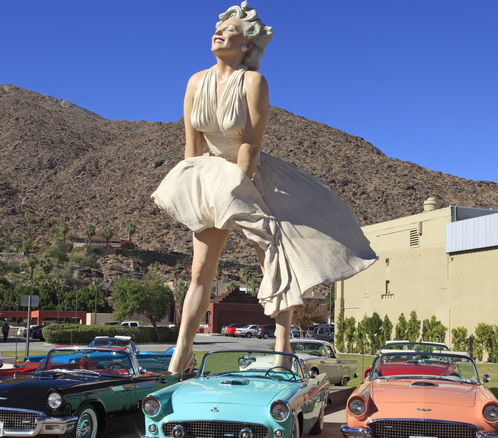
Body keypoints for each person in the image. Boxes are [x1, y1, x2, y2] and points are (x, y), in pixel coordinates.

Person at [152, 1, 376, 374]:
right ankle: (182, 354)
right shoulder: (195, 82)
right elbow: (191, 148)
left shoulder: (254, 82)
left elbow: (250, 145)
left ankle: (281, 348)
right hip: (208, 177)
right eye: (219, 25)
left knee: (272, 260)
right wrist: (190, 192)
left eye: (231, 28)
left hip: (250, 176)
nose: (220, 30)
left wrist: (240, 190)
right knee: (199, 273)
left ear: (246, 45)